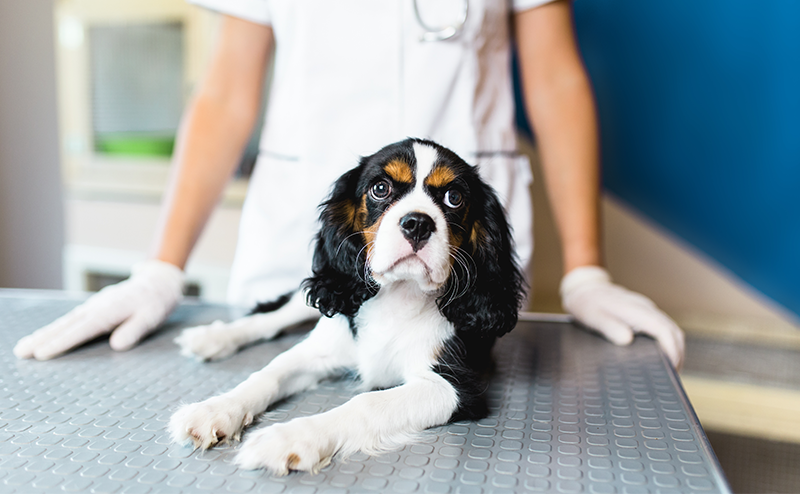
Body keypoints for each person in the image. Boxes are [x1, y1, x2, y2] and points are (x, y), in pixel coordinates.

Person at [14, 0, 684, 367]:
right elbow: (224, 93)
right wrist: (162, 267)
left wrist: (586, 271)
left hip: (451, 270)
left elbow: (555, 80)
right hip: (300, 255)